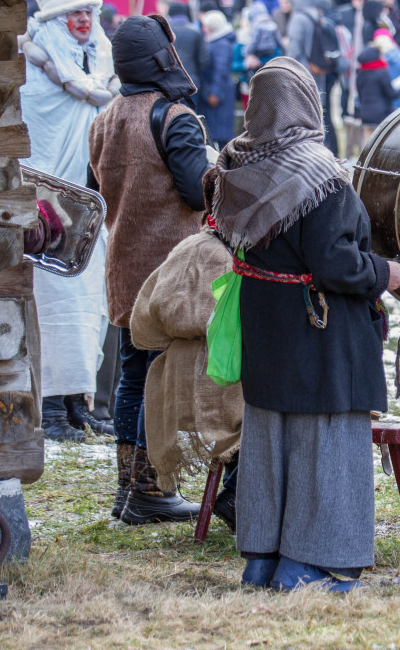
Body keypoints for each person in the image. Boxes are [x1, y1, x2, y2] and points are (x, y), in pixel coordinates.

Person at [209, 57, 400, 592]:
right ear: (306, 105)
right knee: (324, 442)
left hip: (267, 323)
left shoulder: (235, 164)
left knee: (271, 437)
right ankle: (310, 566)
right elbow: (336, 263)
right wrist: (384, 272)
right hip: (319, 328)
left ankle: (265, 561)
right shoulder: (320, 174)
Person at [88, 15, 213, 525]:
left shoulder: (105, 118)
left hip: (123, 264)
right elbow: (196, 192)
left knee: (132, 377)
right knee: (155, 378)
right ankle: (149, 491)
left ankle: (129, 489)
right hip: (168, 271)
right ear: (162, 57)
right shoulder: (172, 117)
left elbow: (95, 192)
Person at [18, 0, 114, 442]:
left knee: (89, 303)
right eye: (74, 12)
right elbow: (36, 135)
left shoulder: (99, 64)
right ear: (56, 19)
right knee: (53, 304)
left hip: (88, 204)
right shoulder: (34, 71)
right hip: (49, 208)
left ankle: (79, 400)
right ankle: (51, 405)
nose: (82, 19)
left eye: (88, 11)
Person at [129, 174, 242, 532]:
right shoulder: (219, 256)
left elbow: (144, 319)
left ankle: (240, 493)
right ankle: (240, 494)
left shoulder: (187, 247)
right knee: (273, 409)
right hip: (219, 377)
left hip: (176, 374)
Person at [199, 10, 238, 144]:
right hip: (216, 92)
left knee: (221, 136)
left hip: (218, 94)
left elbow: (220, 71)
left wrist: (214, 93)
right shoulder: (218, 42)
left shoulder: (221, 44)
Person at [166, 1, 210, 94]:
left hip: (169, 82)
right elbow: (203, 60)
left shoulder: (164, 32)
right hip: (191, 81)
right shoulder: (196, 31)